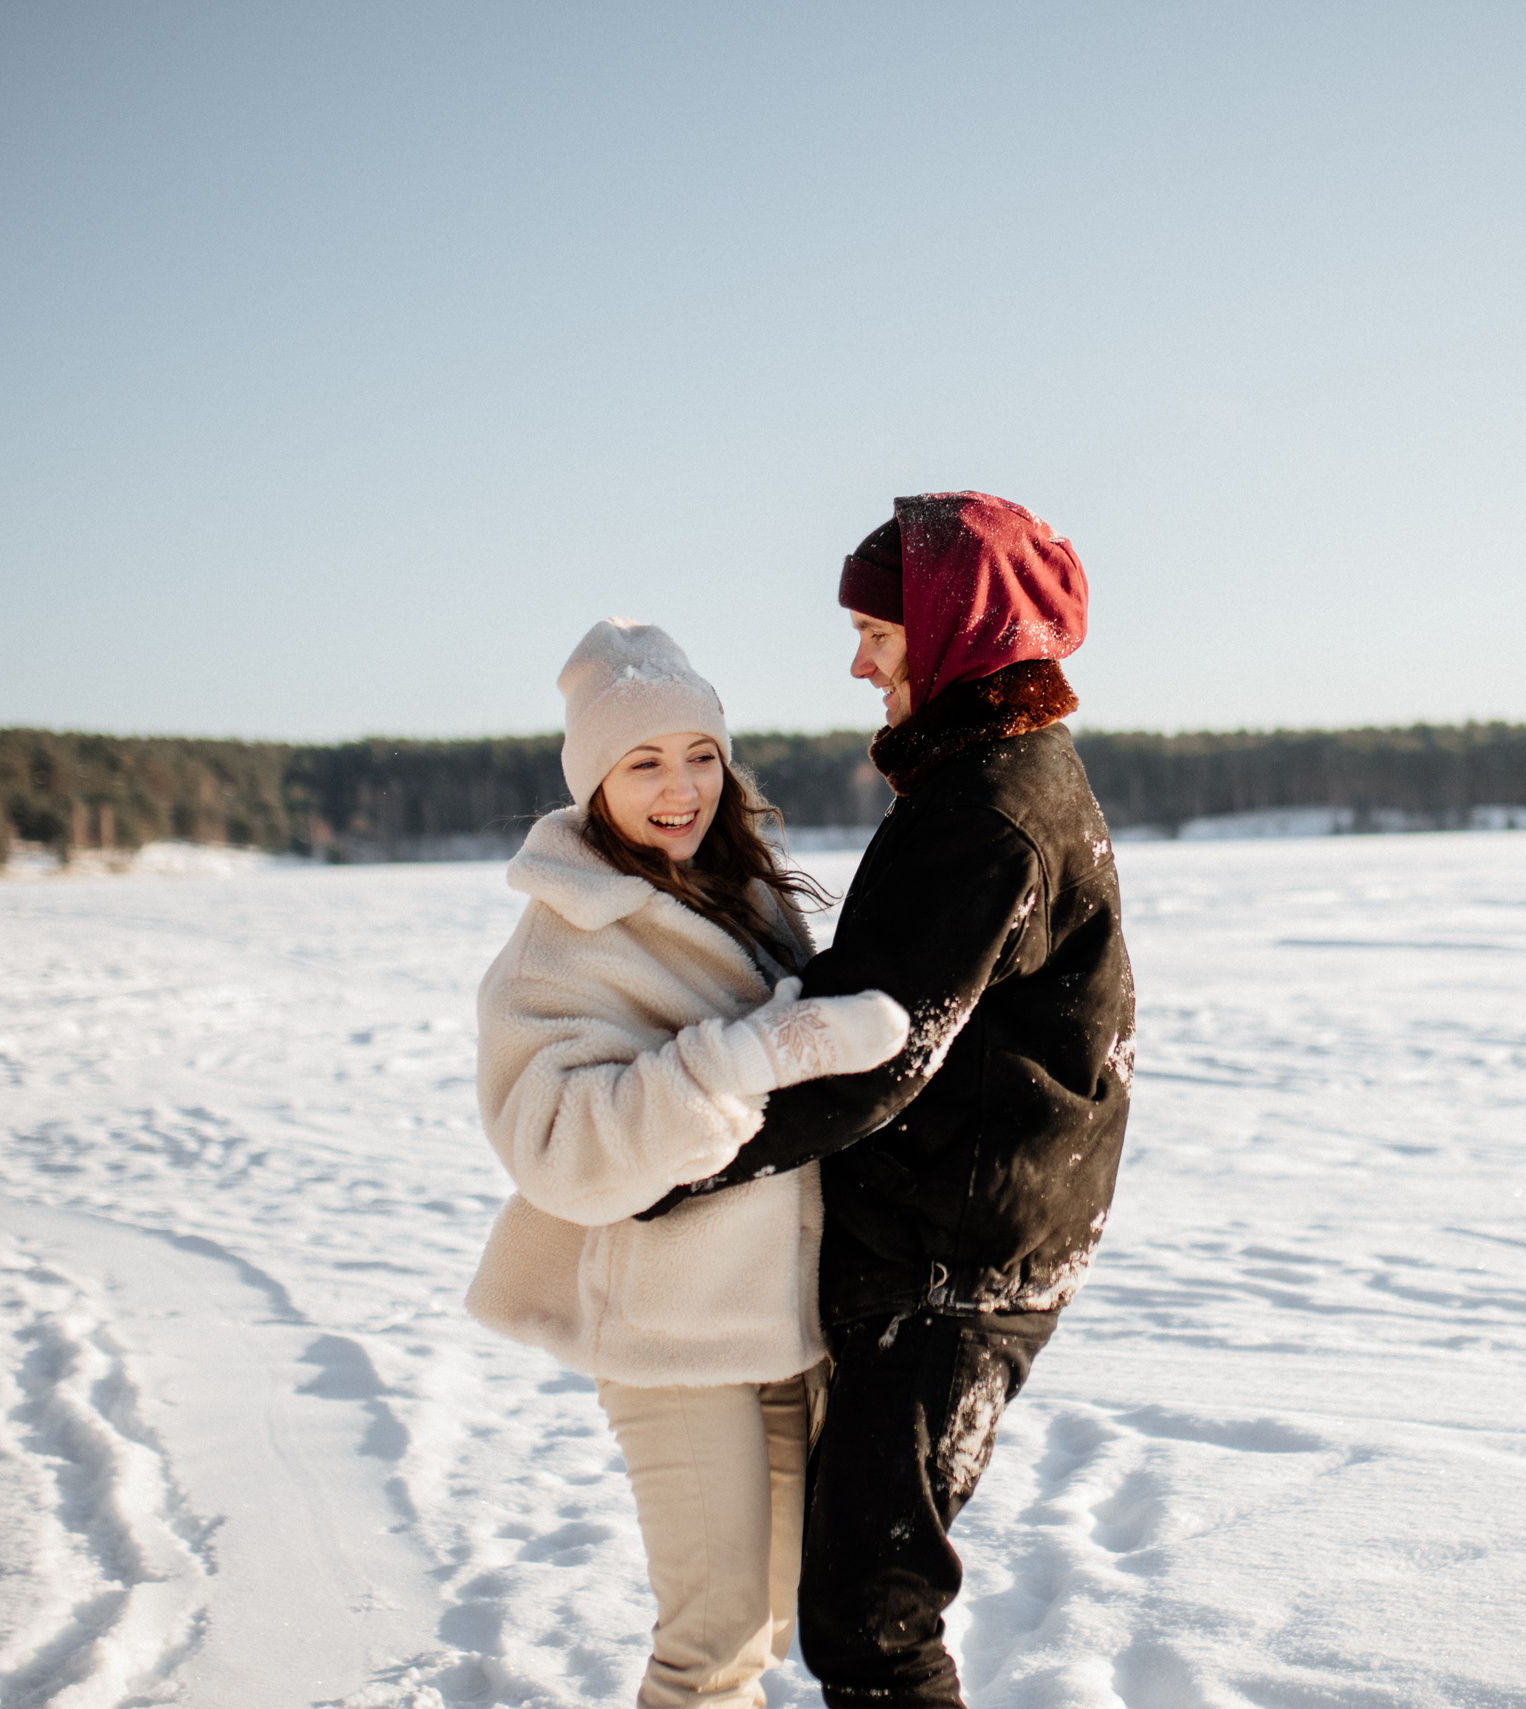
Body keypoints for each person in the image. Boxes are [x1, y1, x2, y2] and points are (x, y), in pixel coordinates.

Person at [638, 492, 1136, 1709]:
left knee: (872, 1616)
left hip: (956, 1261)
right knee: (855, 1596)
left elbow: (875, 1049)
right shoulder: (982, 775)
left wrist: (675, 1152)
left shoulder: (991, 809)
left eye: (880, 630)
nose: (858, 660)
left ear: (958, 624)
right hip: (947, 1236)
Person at [464, 618, 911, 1709]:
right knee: (706, 1651)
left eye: (700, 753)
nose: (681, 786)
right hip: (672, 1338)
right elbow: (559, 1150)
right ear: (594, 782)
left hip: (785, 1321)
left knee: (769, 1622)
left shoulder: (740, 892)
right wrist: (746, 1057)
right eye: (645, 761)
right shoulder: (563, 939)